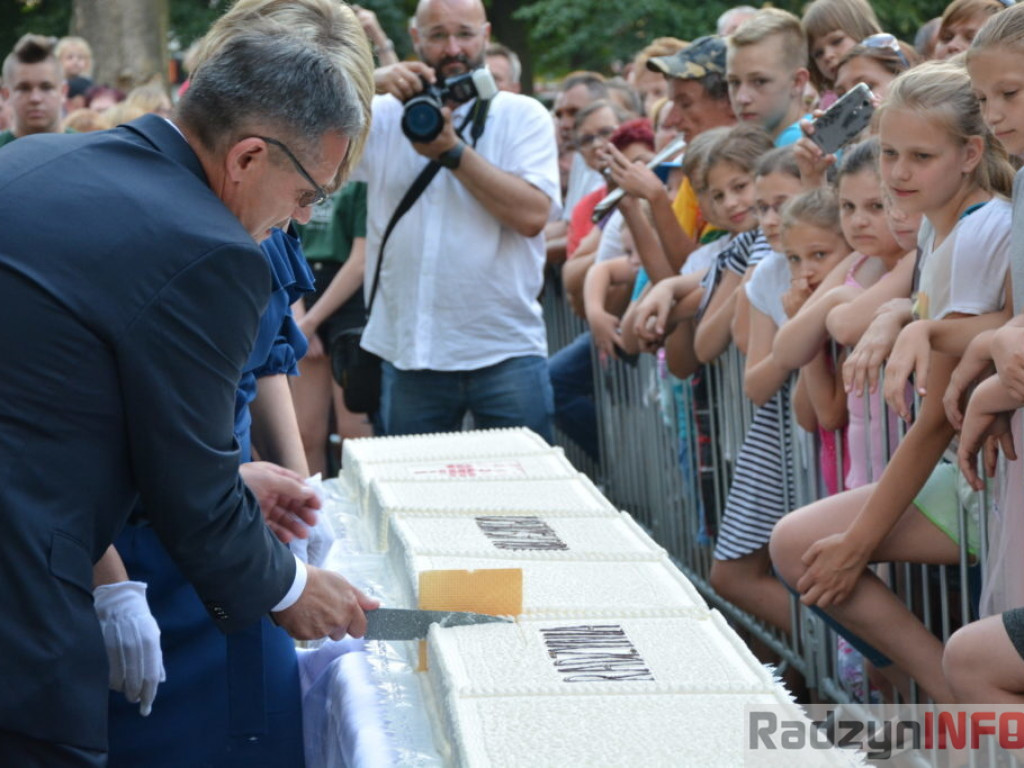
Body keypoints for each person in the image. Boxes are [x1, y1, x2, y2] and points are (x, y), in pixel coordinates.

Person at [0, 8, 378, 766]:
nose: (298, 220)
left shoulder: (35, 161)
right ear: (245, 159)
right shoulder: (211, 251)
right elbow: (194, 499)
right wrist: (290, 587)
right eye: (309, 196)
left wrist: (233, 473)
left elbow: (49, 403)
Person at [769, 61, 1015, 703]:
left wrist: (862, 540)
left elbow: (937, 413)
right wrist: (898, 315)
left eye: (919, 156)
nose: (898, 173)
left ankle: (954, 703)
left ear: (969, 153)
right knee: (798, 544)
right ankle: (944, 696)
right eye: (889, 153)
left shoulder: (981, 229)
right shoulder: (940, 230)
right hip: (970, 470)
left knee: (815, 549)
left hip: (986, 470)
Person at [358, 0, 560, 439]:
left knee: (525, 502)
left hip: (505, 351)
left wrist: (452, 153)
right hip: (411, 353)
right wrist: (366, 80)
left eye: (465, 34)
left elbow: (531, 216)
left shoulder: (522, 115)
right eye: (437, 35)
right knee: (417, 504)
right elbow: (297, 118)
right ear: (415, 40)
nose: (453, 49)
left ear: (486, 35)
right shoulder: (385, 115)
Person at [726, 8, 811, 147]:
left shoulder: (800, 146)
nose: (741, 98)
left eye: (759, 81)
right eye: (734, 82)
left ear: (797, 82)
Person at [801, 0, 882, 100]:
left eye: (836, 41)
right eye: (818, 53)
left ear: (864, 31)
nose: (827, 56)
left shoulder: (896, 72)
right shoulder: (827, 102)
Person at [0, 34, 66, 147]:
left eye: (46, 87)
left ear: (63, 92)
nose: (35, 98)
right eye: (24, 88)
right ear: (6, 94)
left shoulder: (88, 151)